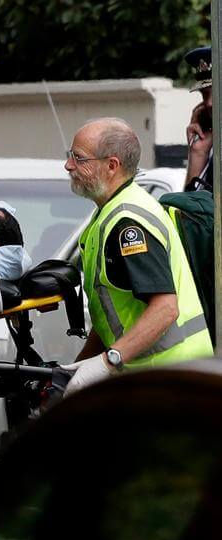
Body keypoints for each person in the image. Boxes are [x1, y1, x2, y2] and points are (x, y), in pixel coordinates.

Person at [62, 118, 212, 393]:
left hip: (174, 379)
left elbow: (165, 308)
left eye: (79, 158)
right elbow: (113, 314)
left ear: (111, 166)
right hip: (155, 377)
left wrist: (109, 360)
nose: (69, 166)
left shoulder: (128, 222)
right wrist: (80, 368)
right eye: (69, 156)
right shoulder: (108, 213)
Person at [184, 46, 213, 192]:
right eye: (205, 95)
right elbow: (187, 212)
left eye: (216, 92)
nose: (209, 103)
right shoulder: (211, 148)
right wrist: (198, 152)